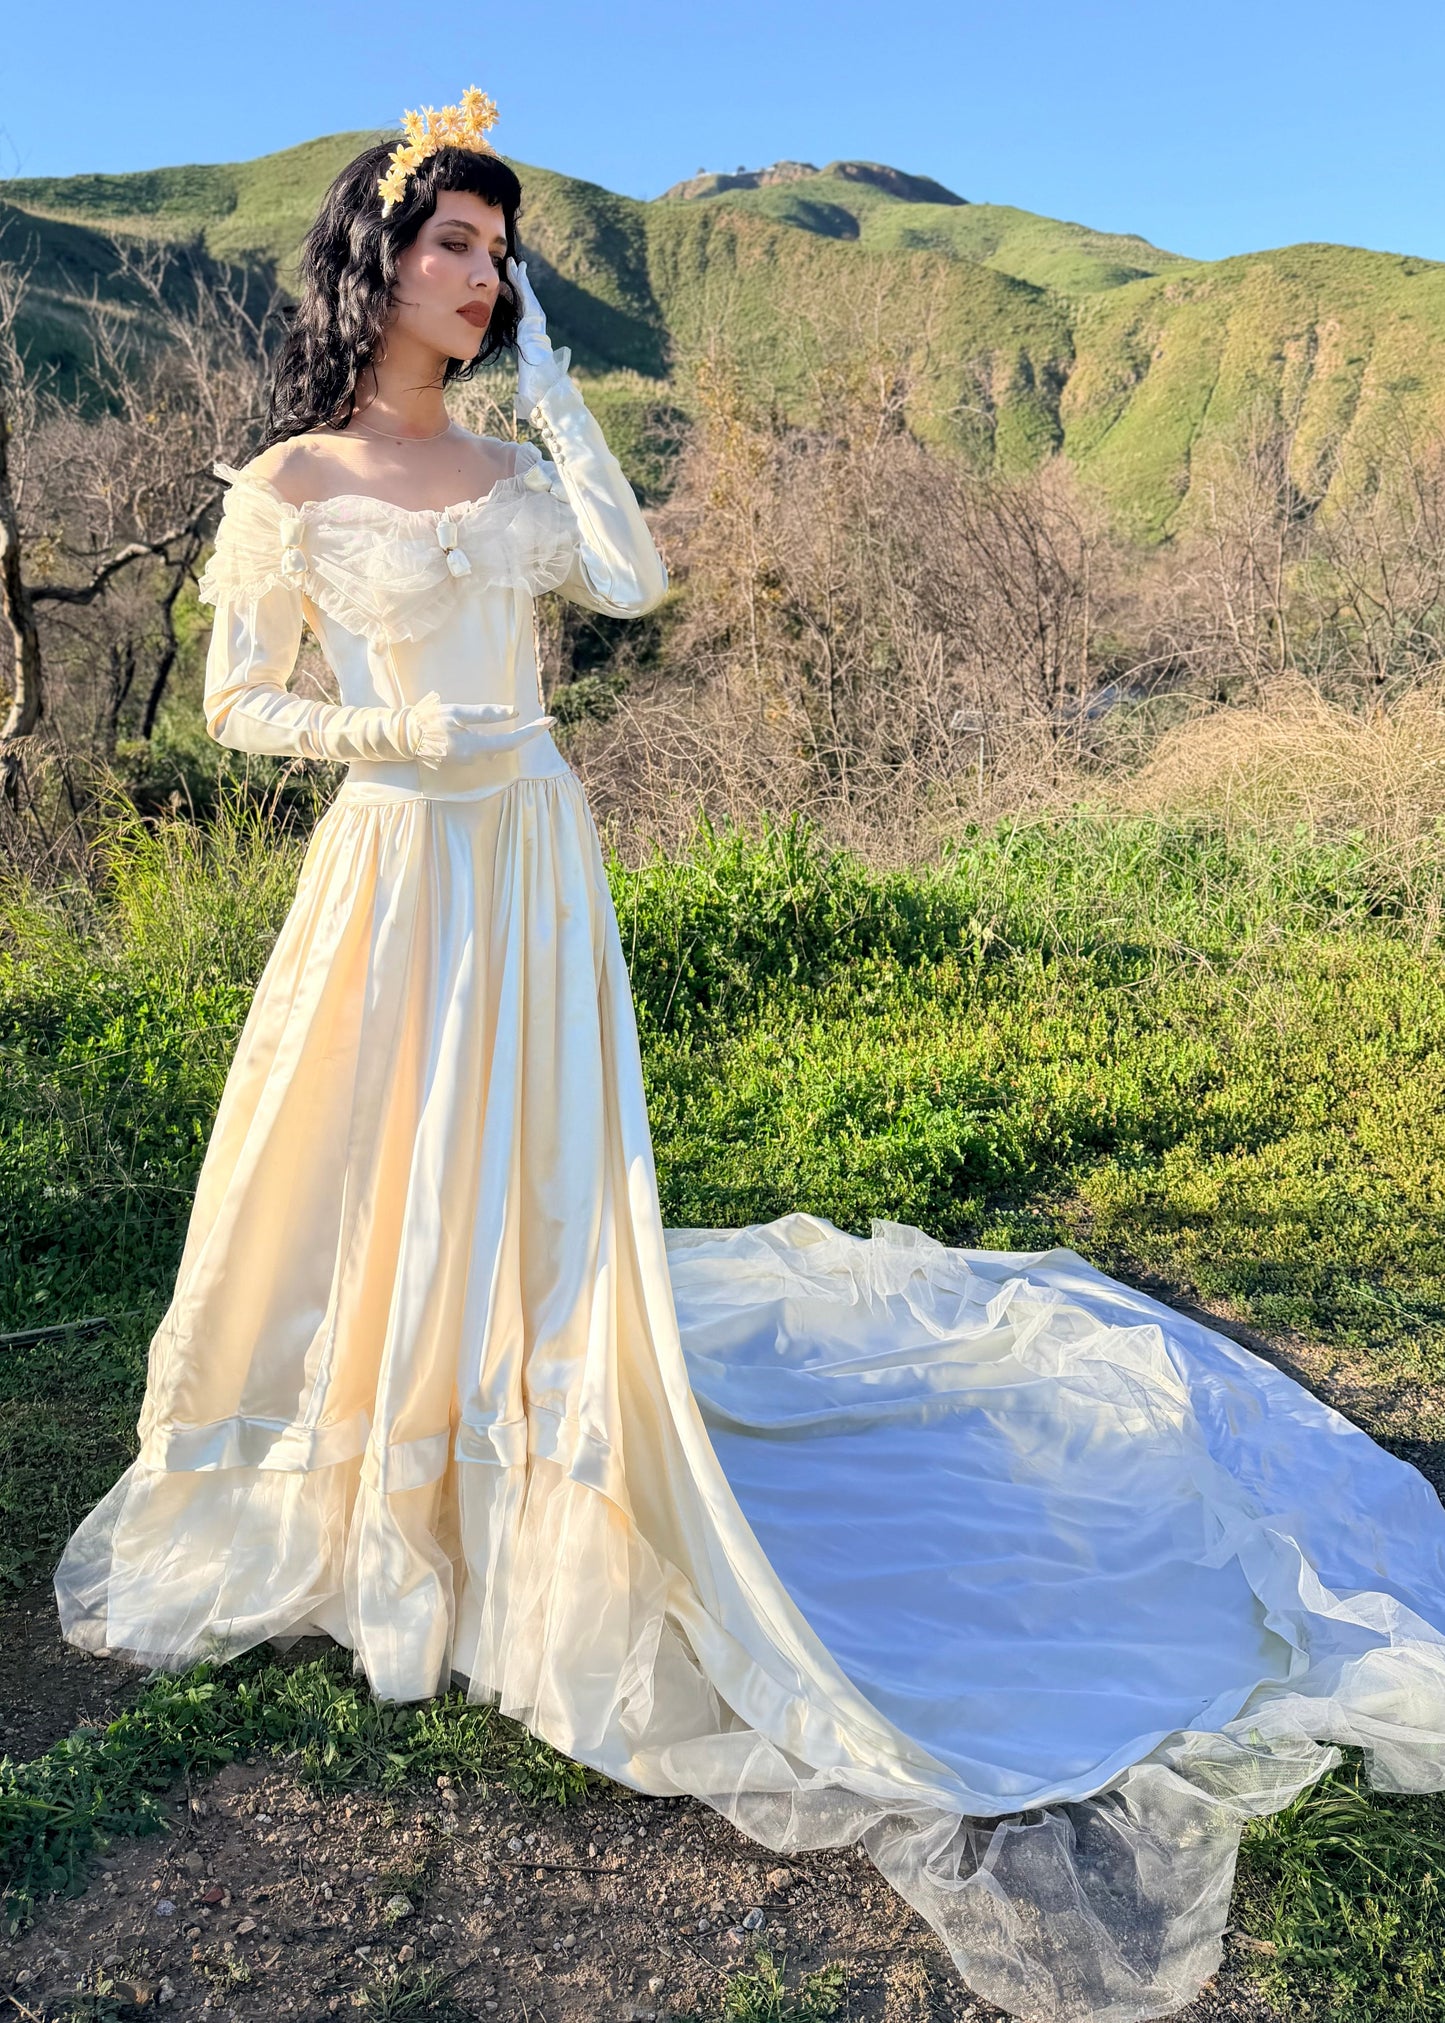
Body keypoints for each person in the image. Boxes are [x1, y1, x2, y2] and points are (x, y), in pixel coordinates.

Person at [53, 90, 1445, 2023]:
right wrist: (390, 739)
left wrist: (559, 398)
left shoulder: (511, 464)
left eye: (502, 254)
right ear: (379, 257)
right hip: (394, 855)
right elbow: (237, 702)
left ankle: (521, 1446)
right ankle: (374, 1461)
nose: (483, 278)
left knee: (532, 1159)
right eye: (455, 245)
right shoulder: (287, 481)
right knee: (368, 1154)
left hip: (530, 850)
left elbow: (627, 583)